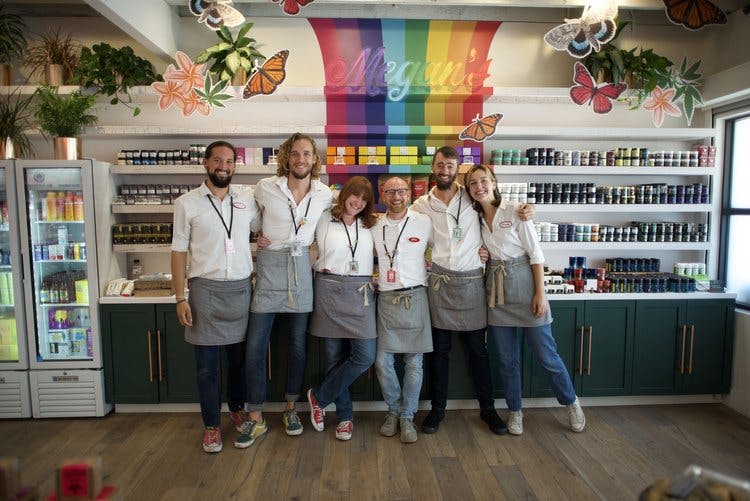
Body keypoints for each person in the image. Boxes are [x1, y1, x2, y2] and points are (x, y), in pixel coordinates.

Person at [412, 146, 530, 436]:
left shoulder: (472, 197)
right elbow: (398, 219)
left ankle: (488, 410)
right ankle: (437, 410)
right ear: (433, 167)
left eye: (450, 166)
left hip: (473, 283)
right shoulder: (421, 205)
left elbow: (501, 208)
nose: (444, 170)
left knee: (479, 351)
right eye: (440, 165)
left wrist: (526, 209)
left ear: (458, 169)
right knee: (439, 352)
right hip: (439, 284)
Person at [464, 164, 585, 436]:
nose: (479, 187)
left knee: (547, 356)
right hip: (496, 292)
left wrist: (540, 293)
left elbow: (536, 254)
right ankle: (515, 411)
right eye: (473, 184)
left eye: (483, 181)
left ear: (494, 182)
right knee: (507, 361)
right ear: (469, 190)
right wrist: (482, 254)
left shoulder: (517, 211)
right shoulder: (475, 217)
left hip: (526, 287)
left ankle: (571, 402)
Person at [239, 132, 333, 447]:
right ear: (286, 158)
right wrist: (256, 239)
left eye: (307, 153)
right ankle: (255, 416)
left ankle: (291, 407)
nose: (301, 159)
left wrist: (316, 250)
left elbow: (330, 230)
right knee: (254, 347)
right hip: (268, 271)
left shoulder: (324, 193)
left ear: (314, 159)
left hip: (300, 272)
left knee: (296, 347)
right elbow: (249, 225)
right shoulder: (265, 187)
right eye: (295, 153)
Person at [170, 140, 261, 453]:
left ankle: (236, 410)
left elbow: (265, 230)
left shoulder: (247, 200)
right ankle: (211, 426)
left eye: (230, 161)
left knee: (238, 363)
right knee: (206, 367)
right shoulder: (187, 203)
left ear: (235, 166)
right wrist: (180, 297)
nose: (224, 166)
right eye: (218, 160)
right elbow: (179, 251)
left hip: (241, 291)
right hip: (204, 292)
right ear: (206, 163)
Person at [305, 176, 378, 441]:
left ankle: (319, 397)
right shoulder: (323, 217)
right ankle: (345, 417)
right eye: (354, 196)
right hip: (329, 290)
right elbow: (297, 232)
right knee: (334, 360)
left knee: (365, 356)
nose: (357, 202)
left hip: (361, 295)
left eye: (364, 199)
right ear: (344, 194)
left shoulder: (372, 225)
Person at [372, 175, 433, 443]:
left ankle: (407, 416)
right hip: (386, 299)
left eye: (401, 191)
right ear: (382, 194)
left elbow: (440, 248)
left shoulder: (424, 221)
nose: (396, 196)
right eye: (390, 191)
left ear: (409, 193)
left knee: (414, 362)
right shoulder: (373, 225)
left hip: (416, 296)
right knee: (382, 362)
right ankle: (393, 410)